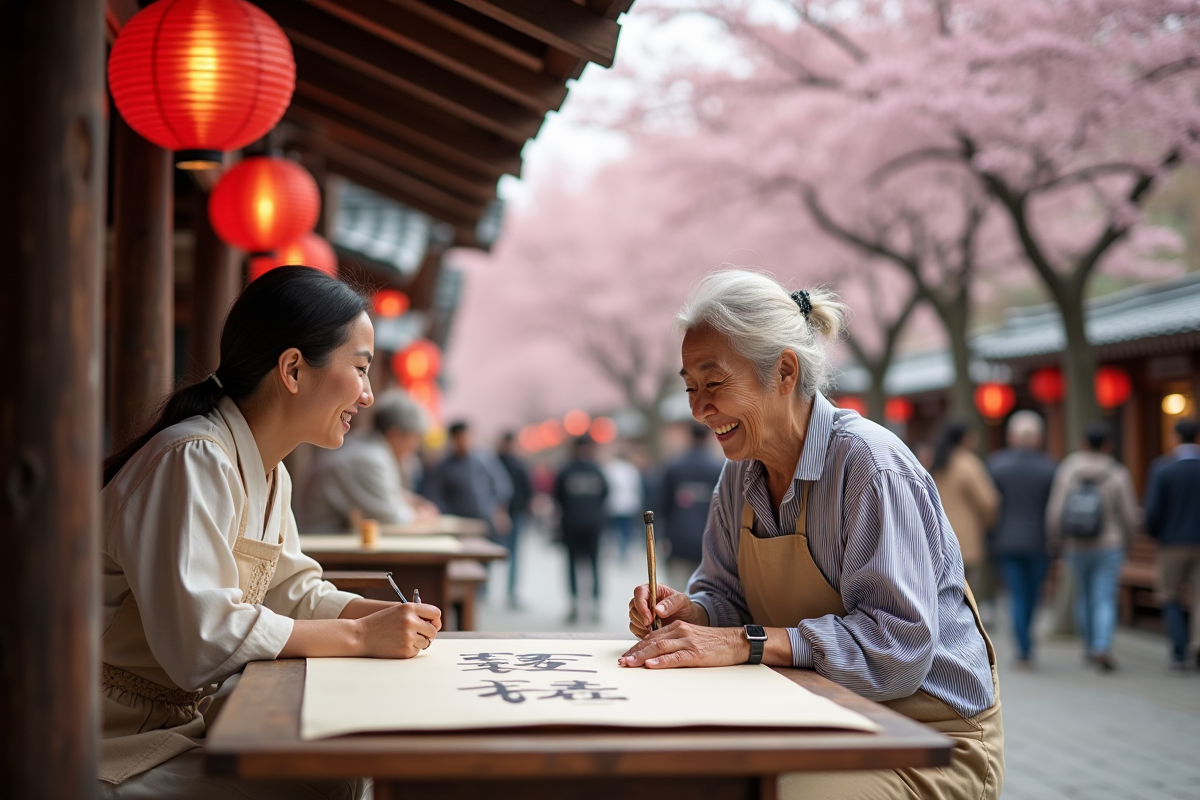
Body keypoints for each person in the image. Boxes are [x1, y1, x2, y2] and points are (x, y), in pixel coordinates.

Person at [620, 270, 1002, 800]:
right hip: (810, 713)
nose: (697, 408)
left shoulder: (869, 465)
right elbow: (726, 596)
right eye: (689, 387)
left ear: (783, 371)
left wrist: (744, 642)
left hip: (922, 735)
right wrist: (692, 614)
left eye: (713, 383)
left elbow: (899, 651)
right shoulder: (740, 473)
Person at [97, 267, 442, 800]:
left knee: (338, 768)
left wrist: (379, 619)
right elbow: (202, 639)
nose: (368, 395)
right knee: (317, 781)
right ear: (293, 369)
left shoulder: (265, 468)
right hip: (102, 739)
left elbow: (293, 591)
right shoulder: (194, 458)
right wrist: (361, 637)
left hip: (174, 727)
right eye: (360, 368)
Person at [1046, 422, 1140, 671]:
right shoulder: (1117, 472)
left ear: (1083, 443)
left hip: (1076, 544)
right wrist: (1129, 541)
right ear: (1107, 444)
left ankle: (1089, 647)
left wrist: (1056, 539)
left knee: (1084, 596)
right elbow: (1129, 514)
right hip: (1110, 543)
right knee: (1105, 596)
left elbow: (1055, 511)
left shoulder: (1068, 470)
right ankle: (1102, 646)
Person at [300, 389, 438, 532]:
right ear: (395, 435)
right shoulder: (371, 459)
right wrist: (421, 515)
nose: (415, 448)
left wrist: (409, 502)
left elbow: (389, 498)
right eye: (415, 439)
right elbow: (391, 518)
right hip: (322, 545)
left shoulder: (368, 447)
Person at [987, 410, 1058, 667]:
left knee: (1016, 593)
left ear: (1012, 437)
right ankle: (1027, 642)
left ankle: (1022, 649)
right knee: (1033, 594)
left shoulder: (996, 465)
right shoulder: (1050, 467)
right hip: (1039, 540)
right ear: (1037, 438)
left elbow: (989, 505)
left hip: (1006, 540)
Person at [1145, 418, 1200, 670]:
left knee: (1170, 595)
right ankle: (1197, 646)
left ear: (1175, 438)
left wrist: (1154, 533)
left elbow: (1153, 511)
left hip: (1172, 543)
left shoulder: (1163, 469)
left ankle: (1178, 652)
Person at [931, 419, 1000, 608]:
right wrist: (989, 524)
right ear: (965, 438)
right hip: (965, 540)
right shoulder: (968, 464)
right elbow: (989, 502)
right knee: (965, 596)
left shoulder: (935, 462)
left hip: (937, 535)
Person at [659, 423, 725, 588]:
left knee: (676, 594)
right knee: (704, 594)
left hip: (678, 539)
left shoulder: (674, 467)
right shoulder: (718, 469)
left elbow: (662, 506)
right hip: (710, 542)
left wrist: (664, 537)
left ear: (690, 436)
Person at [422, 421, 512, 536]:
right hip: (459, 524)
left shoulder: (485, 460)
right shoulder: (444, 466)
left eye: (466, 437)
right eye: (459, 439)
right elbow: (434, 493)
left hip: (486, 520)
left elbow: (501, 484)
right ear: (452, 440)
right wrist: (447, 515)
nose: (463, 442)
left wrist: (500, 511)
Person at [554, 436, 610, 622]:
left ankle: (577, 605)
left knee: (574, 565)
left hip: (572, 523)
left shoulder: (566, 470)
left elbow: (558, 497)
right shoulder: (597, 470)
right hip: (592, 524)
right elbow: (605, 494)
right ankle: (591, 605)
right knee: (593, 565)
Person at [496, 431, 533, 607]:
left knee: (511, 555)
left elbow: (528, 491)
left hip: (514, 514)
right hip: (502, 514)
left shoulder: (500, 463)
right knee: (505, 554)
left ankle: (508, 592)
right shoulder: (499, 463)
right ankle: (490, 590)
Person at [602, 446, 644, 560]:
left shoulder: (610, 468)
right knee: (625, 529)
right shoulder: (631, 469)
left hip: (614, 505)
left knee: (615, 529)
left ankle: (618, 549)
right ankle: (623, 549)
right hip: (627, 505)